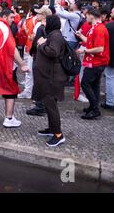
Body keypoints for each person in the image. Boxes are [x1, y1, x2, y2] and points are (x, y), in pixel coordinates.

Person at [33, 15, 68, 147]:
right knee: (48, 104)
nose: (44, 23)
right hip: (49, 76)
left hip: (53, 78)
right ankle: (52, 129)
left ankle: (58, 135)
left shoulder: (55, 36)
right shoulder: (53, 34)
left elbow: (53, 52)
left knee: (51, 105)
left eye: (46, 21)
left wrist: (41, 44)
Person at [76, 8, 110, 120]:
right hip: (96, 62)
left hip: (96, 62)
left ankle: (95, 108)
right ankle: (93, 106)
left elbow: (100, 48)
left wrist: (84, 50)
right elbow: (91, 43)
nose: (86, 19)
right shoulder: (95, 28)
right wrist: (80, 36)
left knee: (85, 84)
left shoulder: (98, 29)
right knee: (94, 85)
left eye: (86, 16)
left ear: (91, 16)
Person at [26, 6, 52, 116]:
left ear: (44, 15)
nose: (37, 15)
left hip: (38, 56)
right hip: (44, 57)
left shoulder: (41, 27)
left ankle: (40, 105)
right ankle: (43, 104)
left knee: (39, 81)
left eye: (39, 14)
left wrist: (32, 51)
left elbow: (36, 42)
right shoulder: (49, 27)